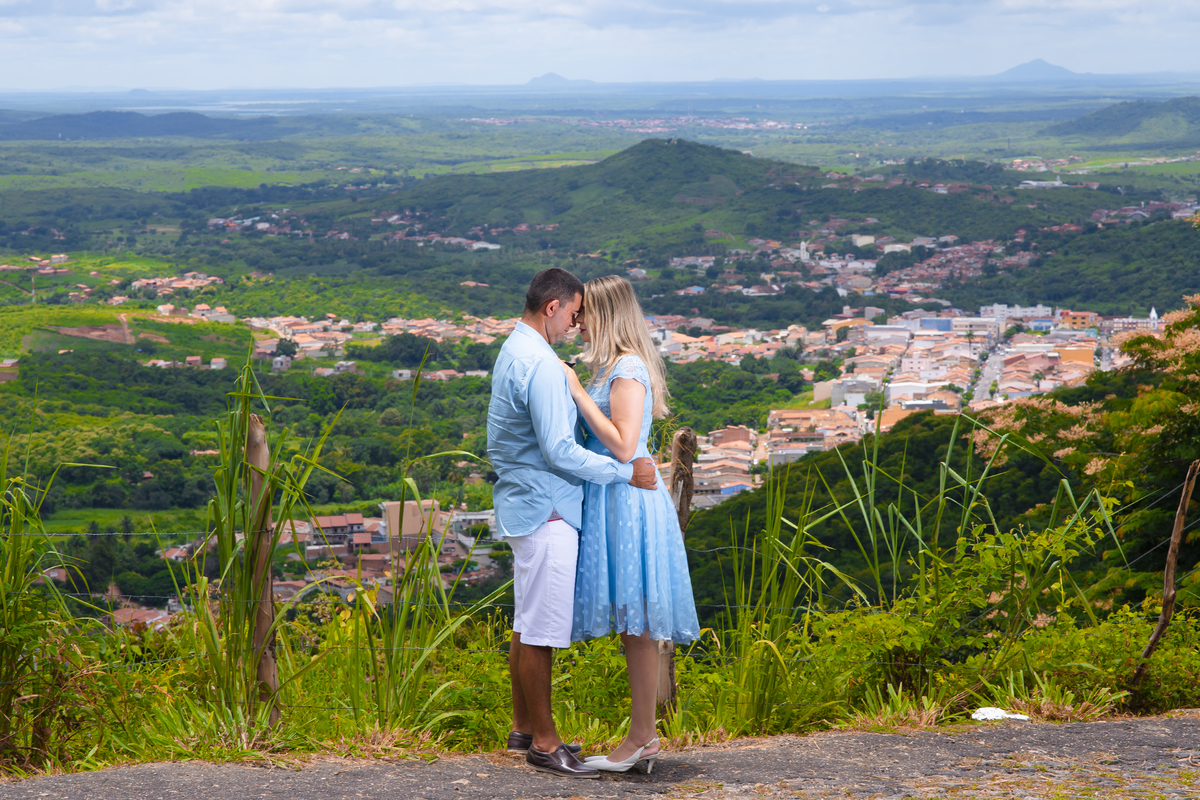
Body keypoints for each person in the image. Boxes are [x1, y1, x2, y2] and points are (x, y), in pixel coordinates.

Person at [487, 268, 658, 779]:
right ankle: (544, 740)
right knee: (540, 629)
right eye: (573, 313)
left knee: (526, 620)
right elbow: (560, 451)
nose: (575, 324)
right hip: (548, 505)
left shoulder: (515, 348)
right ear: (552, 308)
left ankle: (523, 727)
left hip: (526, 501)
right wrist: (623, 473)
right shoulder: (540, 364)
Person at [561, 275, 701, 774]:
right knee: (632, 625)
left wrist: (575, 391)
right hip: (614, 497)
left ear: (605, 314)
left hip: (627, 502)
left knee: (638, 622)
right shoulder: (612, 366)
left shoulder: (626, 367)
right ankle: (643, 735)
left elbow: (622, 445)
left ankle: (644, 735)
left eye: (584, 313)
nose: (577, 322)